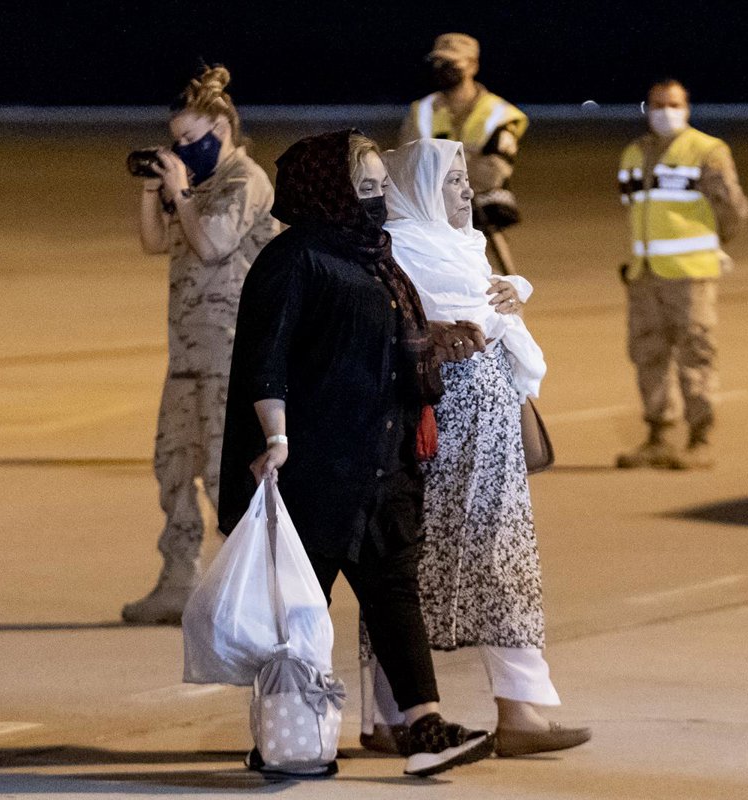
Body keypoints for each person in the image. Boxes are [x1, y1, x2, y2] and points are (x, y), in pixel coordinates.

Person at [217, 129, 496, 778]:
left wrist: (432, 337)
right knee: (302, 606)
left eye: (380, 187)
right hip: (318, 465)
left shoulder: (375, 253)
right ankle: (286, 738)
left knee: (393, 590)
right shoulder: (294, 259)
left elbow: (380, 333)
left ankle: (424, 728)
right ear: (328, 190)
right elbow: (266, 359)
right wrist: (276, 438)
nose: (376, 200)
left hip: (383, 460)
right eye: (363, 187)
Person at [358, 137, 591, 759]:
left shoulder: (464, 245)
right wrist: (435, 330)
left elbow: (493, 314)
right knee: (405, 567)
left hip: (489, 437)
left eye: (465, 178)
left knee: (501, 559)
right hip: (427, 436)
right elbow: (384, 331)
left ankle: (520, 711)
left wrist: (510, 297)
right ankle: (390, 717)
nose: (466, 190)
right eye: (452, 180)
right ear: (419, 188)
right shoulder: (392, 250)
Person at [123, 65, 278, 624]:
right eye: (176, 141)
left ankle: (256, 590)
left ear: (221, 127)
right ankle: (177, 580)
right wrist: (154, 190)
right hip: (189, 353)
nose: (183, 149)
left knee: (222, 473)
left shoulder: (244, 180)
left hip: (232, 353)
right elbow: (153, 242)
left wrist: (182, 193)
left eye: (191, 138)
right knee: (172, 465)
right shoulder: (196, 183)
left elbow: (213, 244)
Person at [616, 78, 748, 470]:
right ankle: (658, 436)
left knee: (696, 352)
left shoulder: (707, 151)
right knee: (647, 353)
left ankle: (700, 438)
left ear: (687, 108)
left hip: (689, 274)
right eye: (657, 105)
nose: (665, 112)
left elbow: (732, 209)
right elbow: (634, 206)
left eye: (673, 104)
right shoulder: (634, 153)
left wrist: (710, 244)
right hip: (644, 273)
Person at [401, 32, 528, 273]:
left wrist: (437, 173)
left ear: (472, 65)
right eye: (437, 62)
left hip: (480, 218)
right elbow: (406, 163)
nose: (441, 69)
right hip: (432, 218)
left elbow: (492, 173)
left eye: (450, 63)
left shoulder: (500, 113)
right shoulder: (422, 110)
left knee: (496, 284)